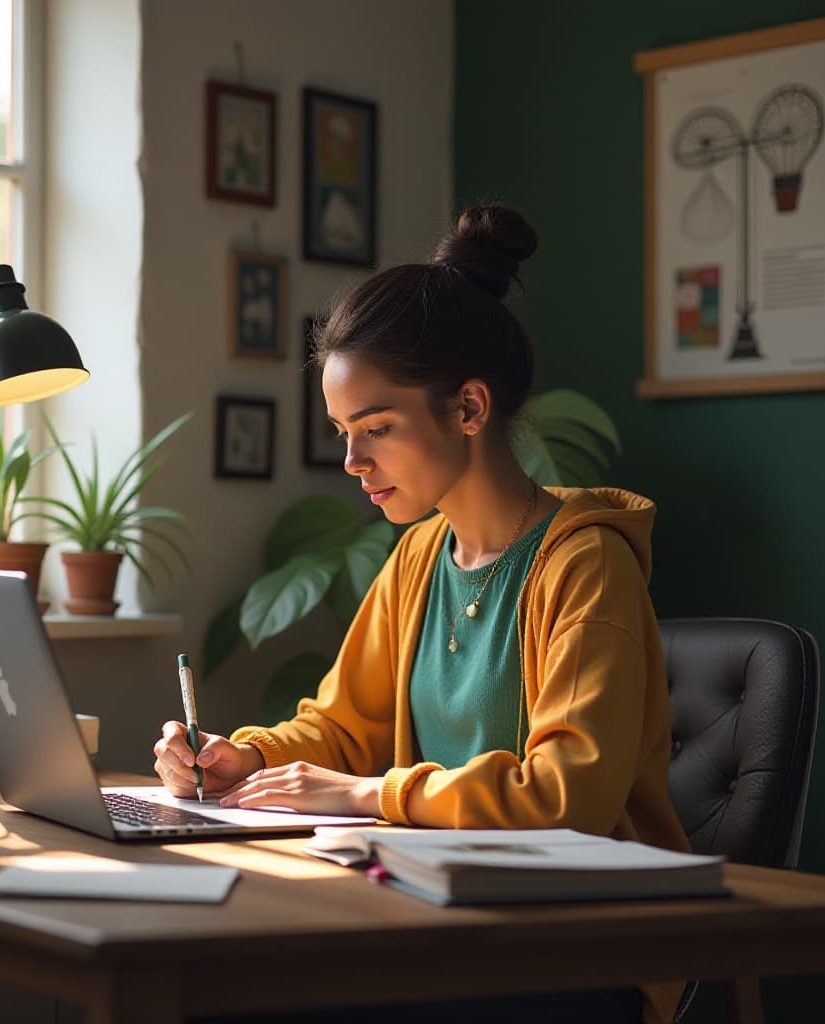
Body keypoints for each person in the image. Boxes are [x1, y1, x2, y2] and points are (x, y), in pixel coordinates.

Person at [155, 204, 688, 1024]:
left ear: (469, 409)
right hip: (437, 914)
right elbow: (339, 727)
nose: (350, 462)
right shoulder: (417, 558)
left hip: (581, 940)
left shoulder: (585, 566)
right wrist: (242, 759)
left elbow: (564, 795)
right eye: (342, 432)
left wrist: (368, 796)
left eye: (376, 429)